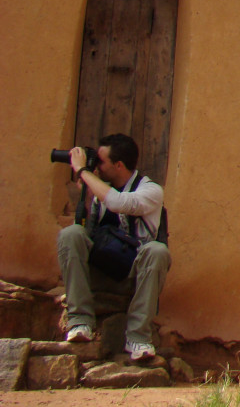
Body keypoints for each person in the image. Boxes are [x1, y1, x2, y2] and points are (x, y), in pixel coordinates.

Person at [56, 133, 170, 362]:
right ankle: (80, 322)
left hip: (134, 274)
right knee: (70, 234)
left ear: (118, 165)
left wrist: (83, 171)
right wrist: (86, 198)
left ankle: (138, 338)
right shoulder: (99, 193)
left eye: (101, 162)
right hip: (101, 268)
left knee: (157, 251)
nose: (97, 167)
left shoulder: (151, 191)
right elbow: (87, 234)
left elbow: (119, 203)